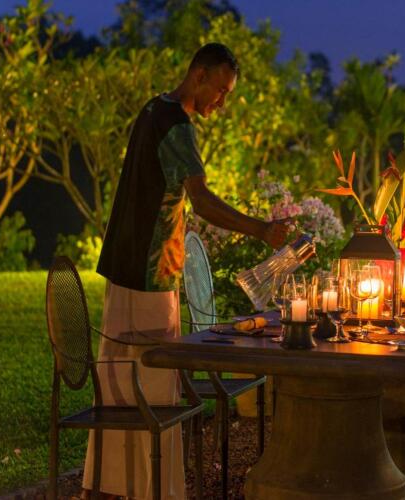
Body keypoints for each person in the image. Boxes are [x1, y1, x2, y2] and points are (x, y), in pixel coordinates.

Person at [81, 43, 290, 499]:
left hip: (128, 265)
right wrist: (262, 230)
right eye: (221, 90)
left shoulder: (153, 109)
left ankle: (115, 483)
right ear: (199, 75)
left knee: (120, 380)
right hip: (149, 274)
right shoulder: (176, 124)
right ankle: (154, 489)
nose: (222, 102)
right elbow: (202, 200)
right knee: (153, 385)